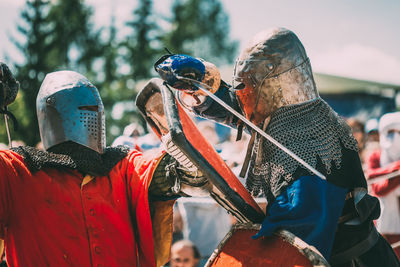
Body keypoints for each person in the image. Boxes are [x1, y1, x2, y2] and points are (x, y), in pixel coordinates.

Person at [154, 28, 399, 266]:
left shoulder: (306, 135)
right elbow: (236, 110)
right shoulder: (288, 120)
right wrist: (201, 86)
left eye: (245, 86)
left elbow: (298, 236)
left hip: (350, 260)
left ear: (273, 84)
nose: (241, 94)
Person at [0, 67, 211, 266]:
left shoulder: (121, 165)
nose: (95, 118)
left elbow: (180, 172)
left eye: (96, 111)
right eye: (87, 111)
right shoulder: (18, 171)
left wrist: (180, 167)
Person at [367, 112, 400, 259]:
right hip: (384, 219)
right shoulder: (376, 156)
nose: (395, 137)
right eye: (390, 132)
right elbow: (379, 188)